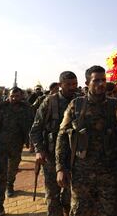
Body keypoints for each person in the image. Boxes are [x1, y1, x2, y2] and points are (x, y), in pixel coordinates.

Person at [56, 66, 117, 216]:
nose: (101, 83)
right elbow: (62, 136)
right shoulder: (76, 105)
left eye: (103, 80)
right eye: (96, 80)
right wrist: (60, 167)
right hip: (82, 173)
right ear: (87, 83)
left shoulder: (116, 105)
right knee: (81, 211)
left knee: (111, 211)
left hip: (110, 172)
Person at [30, 72, 78, 216]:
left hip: (74, 155)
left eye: (74, 84)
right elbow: (35, 130)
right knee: (52, 194)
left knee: (71, 194)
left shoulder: (80, 101)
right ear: (60, 85)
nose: (72, 87)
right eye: (68, 84)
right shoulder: (50, 102)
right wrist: (39, 150)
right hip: (51, 156)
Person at [0, 87, 33, 216]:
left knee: (12, 169)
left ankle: (10, 184)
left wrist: (32, 144)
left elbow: (31, 128)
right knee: (0, 176)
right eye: (12, 96)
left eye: (17, 96)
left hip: (17, 147)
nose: (14, 99)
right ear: (8, 96)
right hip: (0, 147)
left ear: (21, 96)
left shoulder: (26, 109)